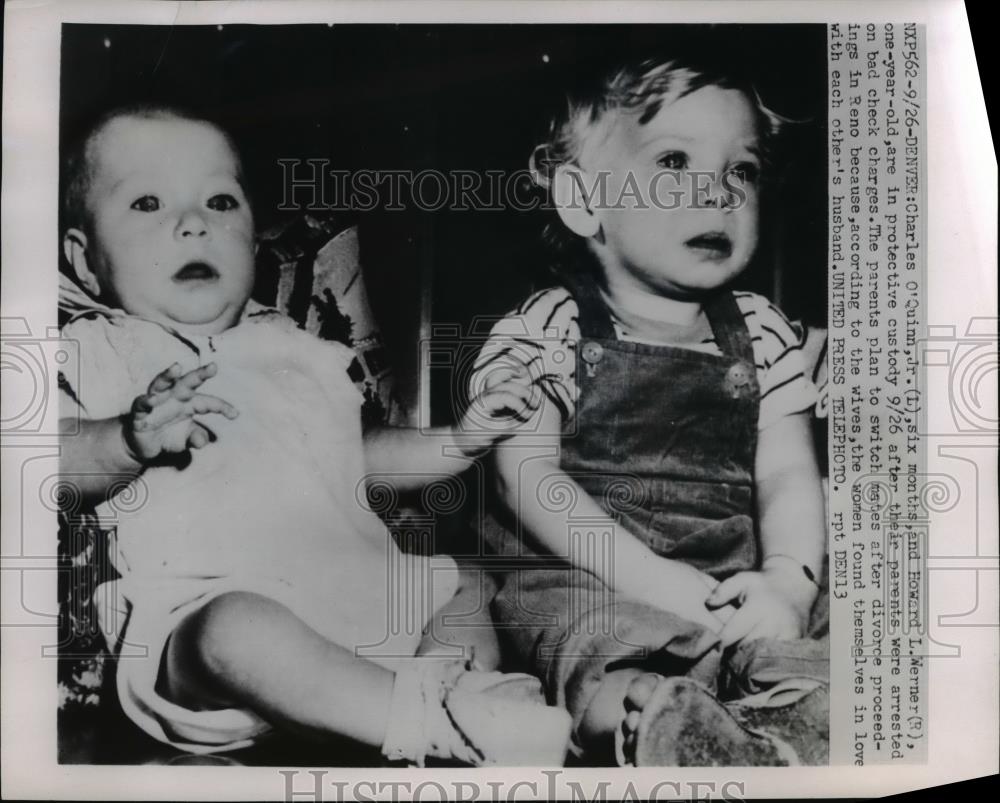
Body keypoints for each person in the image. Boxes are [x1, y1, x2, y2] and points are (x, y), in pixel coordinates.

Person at [57, 104, 571, 765]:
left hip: (358, 599)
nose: (192, 224)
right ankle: (438, 725)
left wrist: (460, 441)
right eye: (147, 203)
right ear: (86, 259)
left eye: (220, 201)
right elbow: (47, 463)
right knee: (233, 628)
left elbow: (356, 456)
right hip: (209, 619)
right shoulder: (102, 348)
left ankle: (460, 691)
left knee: (463, 585)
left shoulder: (296, 347)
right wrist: (125, 440)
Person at [470, 55, 829, 766]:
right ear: (582, 199)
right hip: (588, 568)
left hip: (737, 569)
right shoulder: (548, 327)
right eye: (674, 160)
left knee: (843, 609)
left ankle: (794, 707)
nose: (718, 193)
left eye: (743, 170)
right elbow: (527, 479)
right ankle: (646, 719)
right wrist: (657, 583)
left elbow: (788, 474)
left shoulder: (761, 329)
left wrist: (789, 578)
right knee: (583, 628)